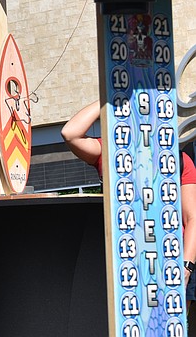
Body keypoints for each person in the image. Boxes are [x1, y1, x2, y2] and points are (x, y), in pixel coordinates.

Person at [61, 100, 196, 310]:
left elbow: (192, 218)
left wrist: (186, 267)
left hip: (171, 262)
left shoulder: (177, 159)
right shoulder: (111, 153)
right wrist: (109, 96)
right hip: (127, 265)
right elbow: (70, 133)